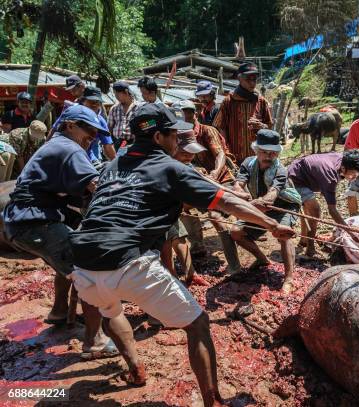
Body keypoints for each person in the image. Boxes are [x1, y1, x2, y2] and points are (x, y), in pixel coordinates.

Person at [69, 104, 295, 406]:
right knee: (197, 324)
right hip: (126, 261)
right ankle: (213, 401)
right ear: (160, 137)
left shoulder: (112, 166)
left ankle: (136, 370)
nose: (178, 140)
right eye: (174, 134)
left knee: (111, 310)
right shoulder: (170, 167)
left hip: (82, 267)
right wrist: (271, 224)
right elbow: (226, 202)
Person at [2, 104, 117, 358]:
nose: (93, 136)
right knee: (88, 270)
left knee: (67, 260)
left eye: (97, 132)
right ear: (70, 126)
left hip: (20, 220)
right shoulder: (69, 148)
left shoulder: (56, 146)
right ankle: (95, 341)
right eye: (88, 130)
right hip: (35, 222)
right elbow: (97, 187)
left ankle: (59, 310)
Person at [230, 129, 301, 293]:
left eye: (273, 153)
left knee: (284, 236)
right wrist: (241, 195)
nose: (269, 156)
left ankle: (289, 278)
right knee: (235, 232)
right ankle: (263, 260)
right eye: (264, 152)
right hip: (257, 206)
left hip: (283, 206)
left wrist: (249, 204)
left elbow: (271, 198)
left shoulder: (280, 170)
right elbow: (238, 185)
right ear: (256, 150)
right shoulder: (248, 163)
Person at [181, 100, 238, 267]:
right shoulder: (179, 135)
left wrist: (214, 173)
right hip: (199, 183)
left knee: (216, 216)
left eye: (189, 112)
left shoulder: (207, 131)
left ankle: (234, 264)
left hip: (221, 180)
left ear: (195, 113)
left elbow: (220, 155)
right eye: (183, 113)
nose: (186, 116)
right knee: (182, 207)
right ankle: (197, 245)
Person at [288, 149, 359, 257]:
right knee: (315, 211)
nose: (354, 178)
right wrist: (351, 232)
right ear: (343, 168)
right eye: (352, 175)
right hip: (296, 179)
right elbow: (332, 211)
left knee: (308, 207)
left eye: (356, 175)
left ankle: (304, 239)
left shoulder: (343, 159)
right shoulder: (330, 177)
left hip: (305, 172)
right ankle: (310, 247)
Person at [161, 130, 207, 283]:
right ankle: (172, 276)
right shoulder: (162, 164)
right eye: (185, 152)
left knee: (179, 235)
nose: (189, 156)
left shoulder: (186, 166)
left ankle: (191, 274)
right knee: (166, 238)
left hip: (170, 207)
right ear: (173, 146)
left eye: (192, 153)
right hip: (157, 211)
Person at [213, 63, 272, 164]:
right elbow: (221, 127)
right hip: (235, 158)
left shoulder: (261, 101)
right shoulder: (229, 101)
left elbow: (269, 127)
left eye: (255, 79)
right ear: (239, 79)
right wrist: (226, 150)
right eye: (248, 79)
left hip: (258, 158)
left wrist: (262, 126)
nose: (252, 83)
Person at [51, 87, 116, 167]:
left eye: (98, 102)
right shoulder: (71, 113)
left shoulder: (100, 121)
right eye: (91, 101)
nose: (94, 104)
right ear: (83, 101)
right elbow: (53, 131)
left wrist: (116, 166)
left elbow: (108, 146)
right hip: (64, 157)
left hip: (88, 159)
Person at [108, 80, 137, 150]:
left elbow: (150, 123)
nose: (116, 96)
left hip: (134, 143)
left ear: (126, 92)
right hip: (118, 143)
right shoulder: (114, 108)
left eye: (117, 94)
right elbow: (109, 128)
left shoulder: (139, 107)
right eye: (115, 94)